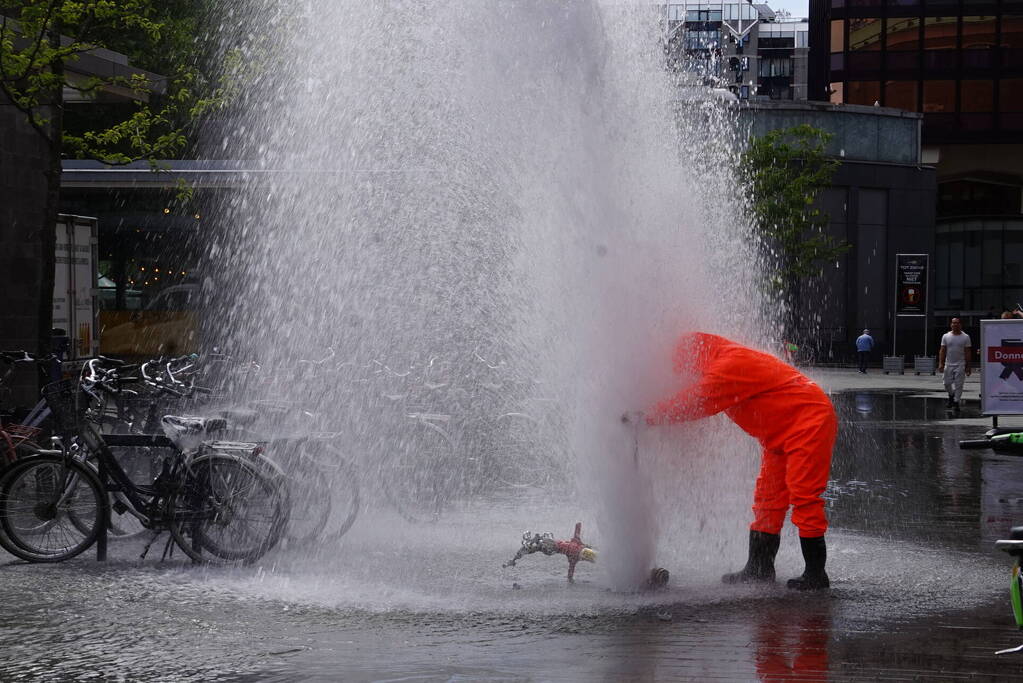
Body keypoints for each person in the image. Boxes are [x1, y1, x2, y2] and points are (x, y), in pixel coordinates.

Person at [645, 332, 837, 591]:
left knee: (804, 495)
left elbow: (697, 401)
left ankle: (816, 574)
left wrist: (647, 416)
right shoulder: (725, 360)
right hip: (779, 431)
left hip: (809, 420)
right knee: (768, 498)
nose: (687, 374)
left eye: (685, 367)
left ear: (694, 355)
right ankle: (759, 568)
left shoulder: (730, 365)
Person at [938, 317, 971, 411]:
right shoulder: (946, 336)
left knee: (959, 384)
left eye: (957, 323)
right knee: (946, 383)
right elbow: (942, 350)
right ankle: (951, 395)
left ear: (960, 325)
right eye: (953, 323)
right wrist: (941, 363)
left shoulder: (965, 337)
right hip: (948, 364)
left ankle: (956, 402)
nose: (955, 324)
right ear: (951, 325)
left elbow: (968, 352)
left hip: (960, 364)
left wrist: (968, 366)